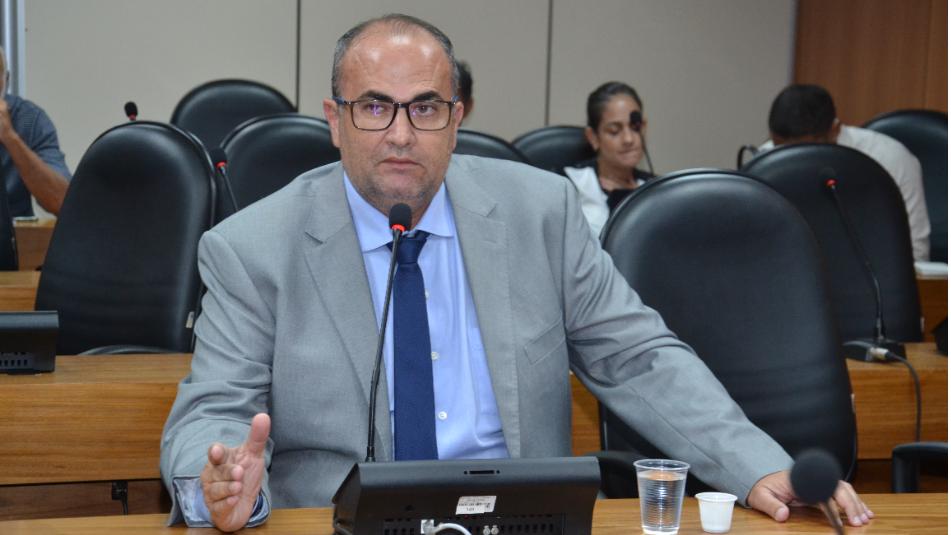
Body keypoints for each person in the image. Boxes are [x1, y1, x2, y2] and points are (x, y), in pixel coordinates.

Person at [159, 14, 872, 532]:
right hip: (344, 525)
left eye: (425, 107)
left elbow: (639, 357)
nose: (401, 133)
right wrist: (218, 484)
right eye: (374, 107)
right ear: (334, 120)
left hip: (527, 520)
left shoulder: (540, 213)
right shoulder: (253, 248)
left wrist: (754, 464)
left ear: (456, 118)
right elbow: (212, 413)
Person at [760, 84, 930, 261]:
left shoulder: (890, 159)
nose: (792, 161)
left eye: (803, 151)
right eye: (780, 149)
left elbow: (915, 254)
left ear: (835, 130)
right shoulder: (768, 162)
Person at [565, 81, 653, 236]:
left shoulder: (656, 188)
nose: (628, 139)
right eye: (614, 131)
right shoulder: (569, 185)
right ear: (593, 137)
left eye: (635, 127)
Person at [0, 47, 70, 217]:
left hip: (11, 232)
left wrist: (10, 137)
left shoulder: (28, 119)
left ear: (5, 81)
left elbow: (62, 202)